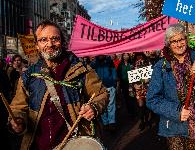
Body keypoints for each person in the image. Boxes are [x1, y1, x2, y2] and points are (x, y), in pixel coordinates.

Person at [9, 20, 109, 150]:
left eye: (55, 39)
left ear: (62, 41)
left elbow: (101, 94)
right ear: (37, 45)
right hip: (39, 145)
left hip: (75, 144)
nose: (50, 44)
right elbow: (18, 107)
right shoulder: (28, 76)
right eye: (43, 39)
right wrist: (18, 120)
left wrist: (94, 107)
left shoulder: (81, 70)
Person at [147, 24, 195, 150]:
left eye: (181, 39)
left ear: (186, 40)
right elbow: (152, 99)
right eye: (174, 41)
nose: (178, 44)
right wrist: (176, 112)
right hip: (173, 128)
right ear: (168, 44)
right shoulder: (161, 67)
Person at [91, 55, 117, 133]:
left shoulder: (109, 61)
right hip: (99, 88)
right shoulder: (94, 63)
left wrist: (114, 81)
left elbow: (113, 71)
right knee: (102, 106)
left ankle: (112, 123)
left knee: (111, 105)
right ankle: (105, 123)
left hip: (110, 86)